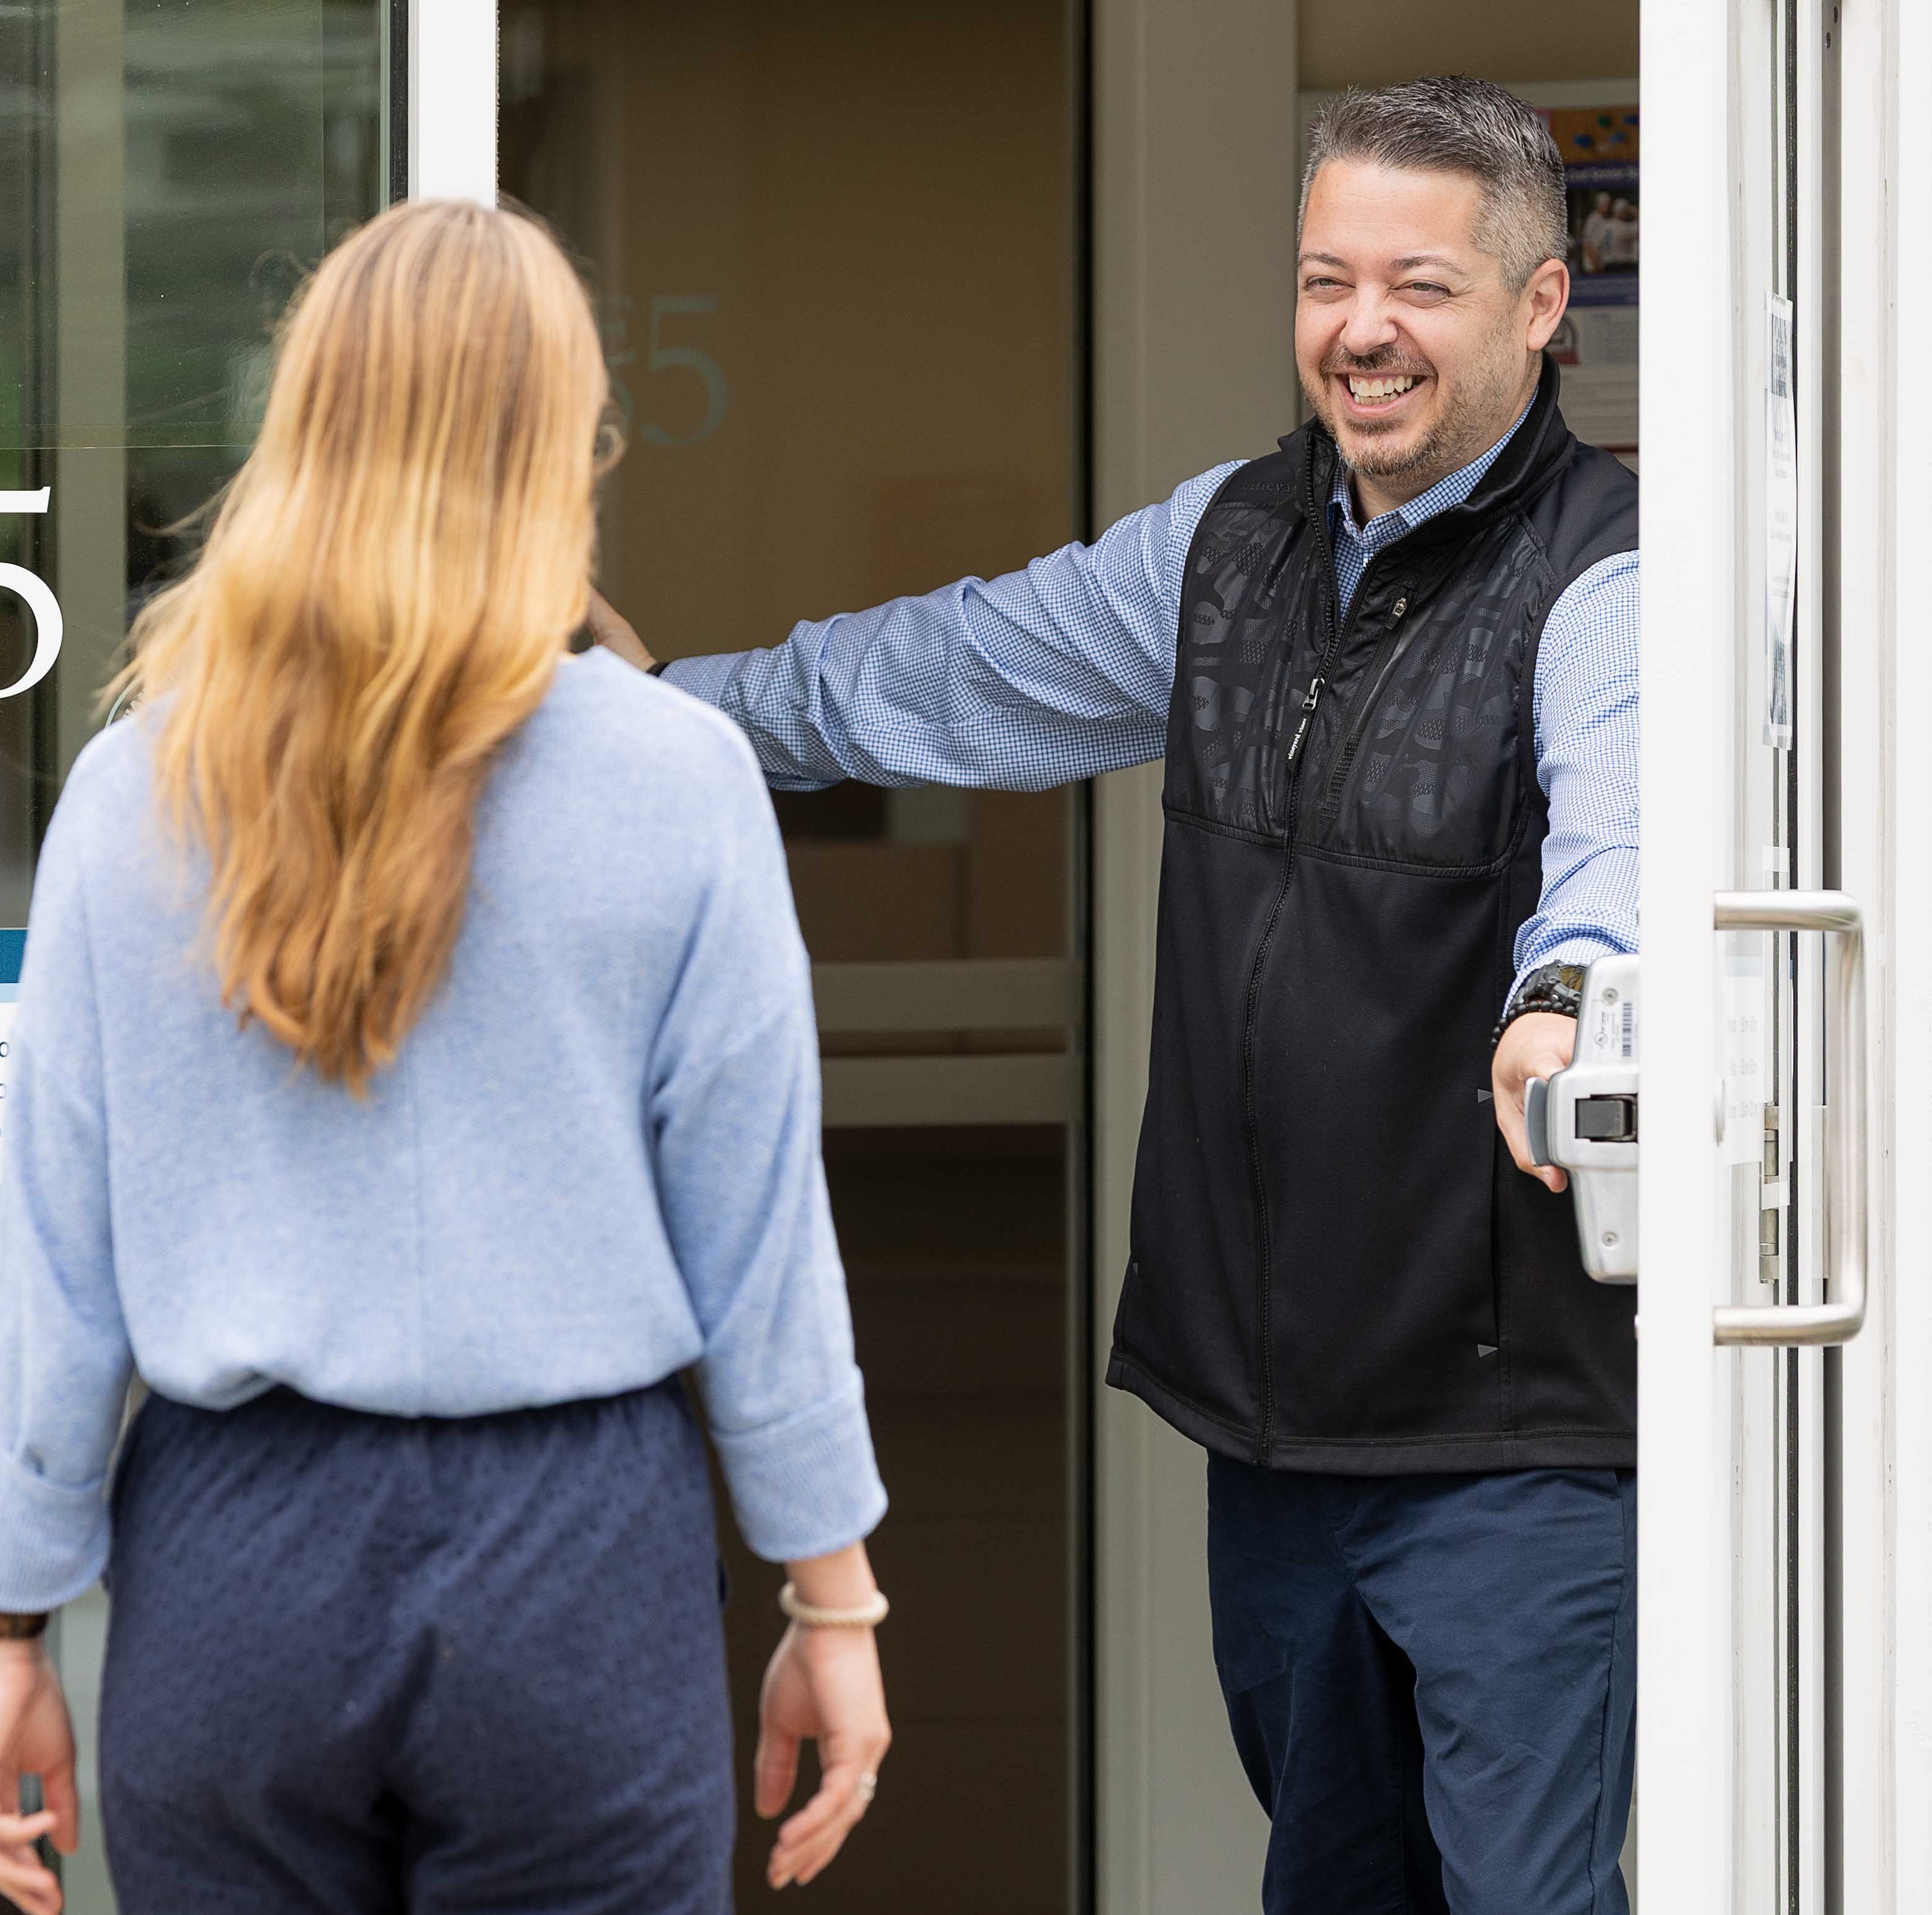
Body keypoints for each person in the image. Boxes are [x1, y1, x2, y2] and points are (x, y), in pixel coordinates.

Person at [592, 77, 1637, 1915]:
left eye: (1421, 285)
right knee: (1323, 1885)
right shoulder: (1223, 548)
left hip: (1512, 1437)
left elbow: (1626, 833)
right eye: (1327, 280)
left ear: (1540, 308)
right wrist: (655, 711)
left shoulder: (1609, 573)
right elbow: (942, 669)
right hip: (1272, 1419)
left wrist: (1569, 990)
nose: (1362, 329)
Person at [0, 196, 896, 1915]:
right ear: (564, 439)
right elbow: (761, 1248)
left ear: (299, 428)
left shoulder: (133, 786)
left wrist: (6, 1621)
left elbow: (57, 1266)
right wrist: (831, 1598)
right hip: (583, 1552)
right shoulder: (681, 778)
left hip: (233, 1553)